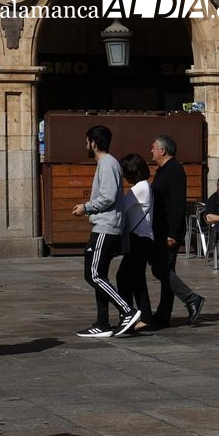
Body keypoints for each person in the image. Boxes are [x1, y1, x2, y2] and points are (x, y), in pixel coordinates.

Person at [71, 126, 141, 338]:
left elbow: (108, 197)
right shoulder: (108, 163)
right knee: (99, 276)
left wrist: (86, 207)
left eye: (87, 142)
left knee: (92, 274)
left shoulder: (107, 163)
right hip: (106, 227)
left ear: (93, 143)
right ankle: (102, 323)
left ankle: (127, 310)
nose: (86, 146)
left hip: (106, 228)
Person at [149, 135, 205, 327]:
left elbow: (177, 203)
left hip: (168, 231)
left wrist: (172, 233)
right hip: (160, 229)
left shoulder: (174, 170)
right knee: (166, 270)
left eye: (154, 147)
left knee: (160, 268)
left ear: (162, 150)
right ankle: (163, 314)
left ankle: (191, 298)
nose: (151, 151)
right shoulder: (163, 170)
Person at [115, 153, 154, 334]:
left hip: (139, 239)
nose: (123, 176)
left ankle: (128, 314)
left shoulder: (139, 188)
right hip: (142, 239)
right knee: (137, 279)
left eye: (124, 172)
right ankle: (144, 316)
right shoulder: (144, 186)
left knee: (123, 277)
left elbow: (121, 207)